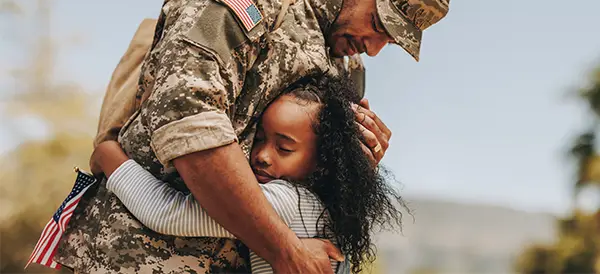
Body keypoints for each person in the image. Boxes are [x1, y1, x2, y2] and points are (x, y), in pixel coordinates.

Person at [55, 0, 452, 272]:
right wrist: (284, 249)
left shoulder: (346, 69)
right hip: (134, 259)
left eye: (391, 40)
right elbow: (192, 129)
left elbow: (309, 194)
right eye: (379, 24)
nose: (376, 47)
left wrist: (357, 163)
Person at [91, 75, 407, 274]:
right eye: (258, 139)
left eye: (284, 149)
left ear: (321, 163)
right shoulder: (325, 208)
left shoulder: (285, 201)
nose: (262, 155)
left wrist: (109, 155)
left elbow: (166, 213)